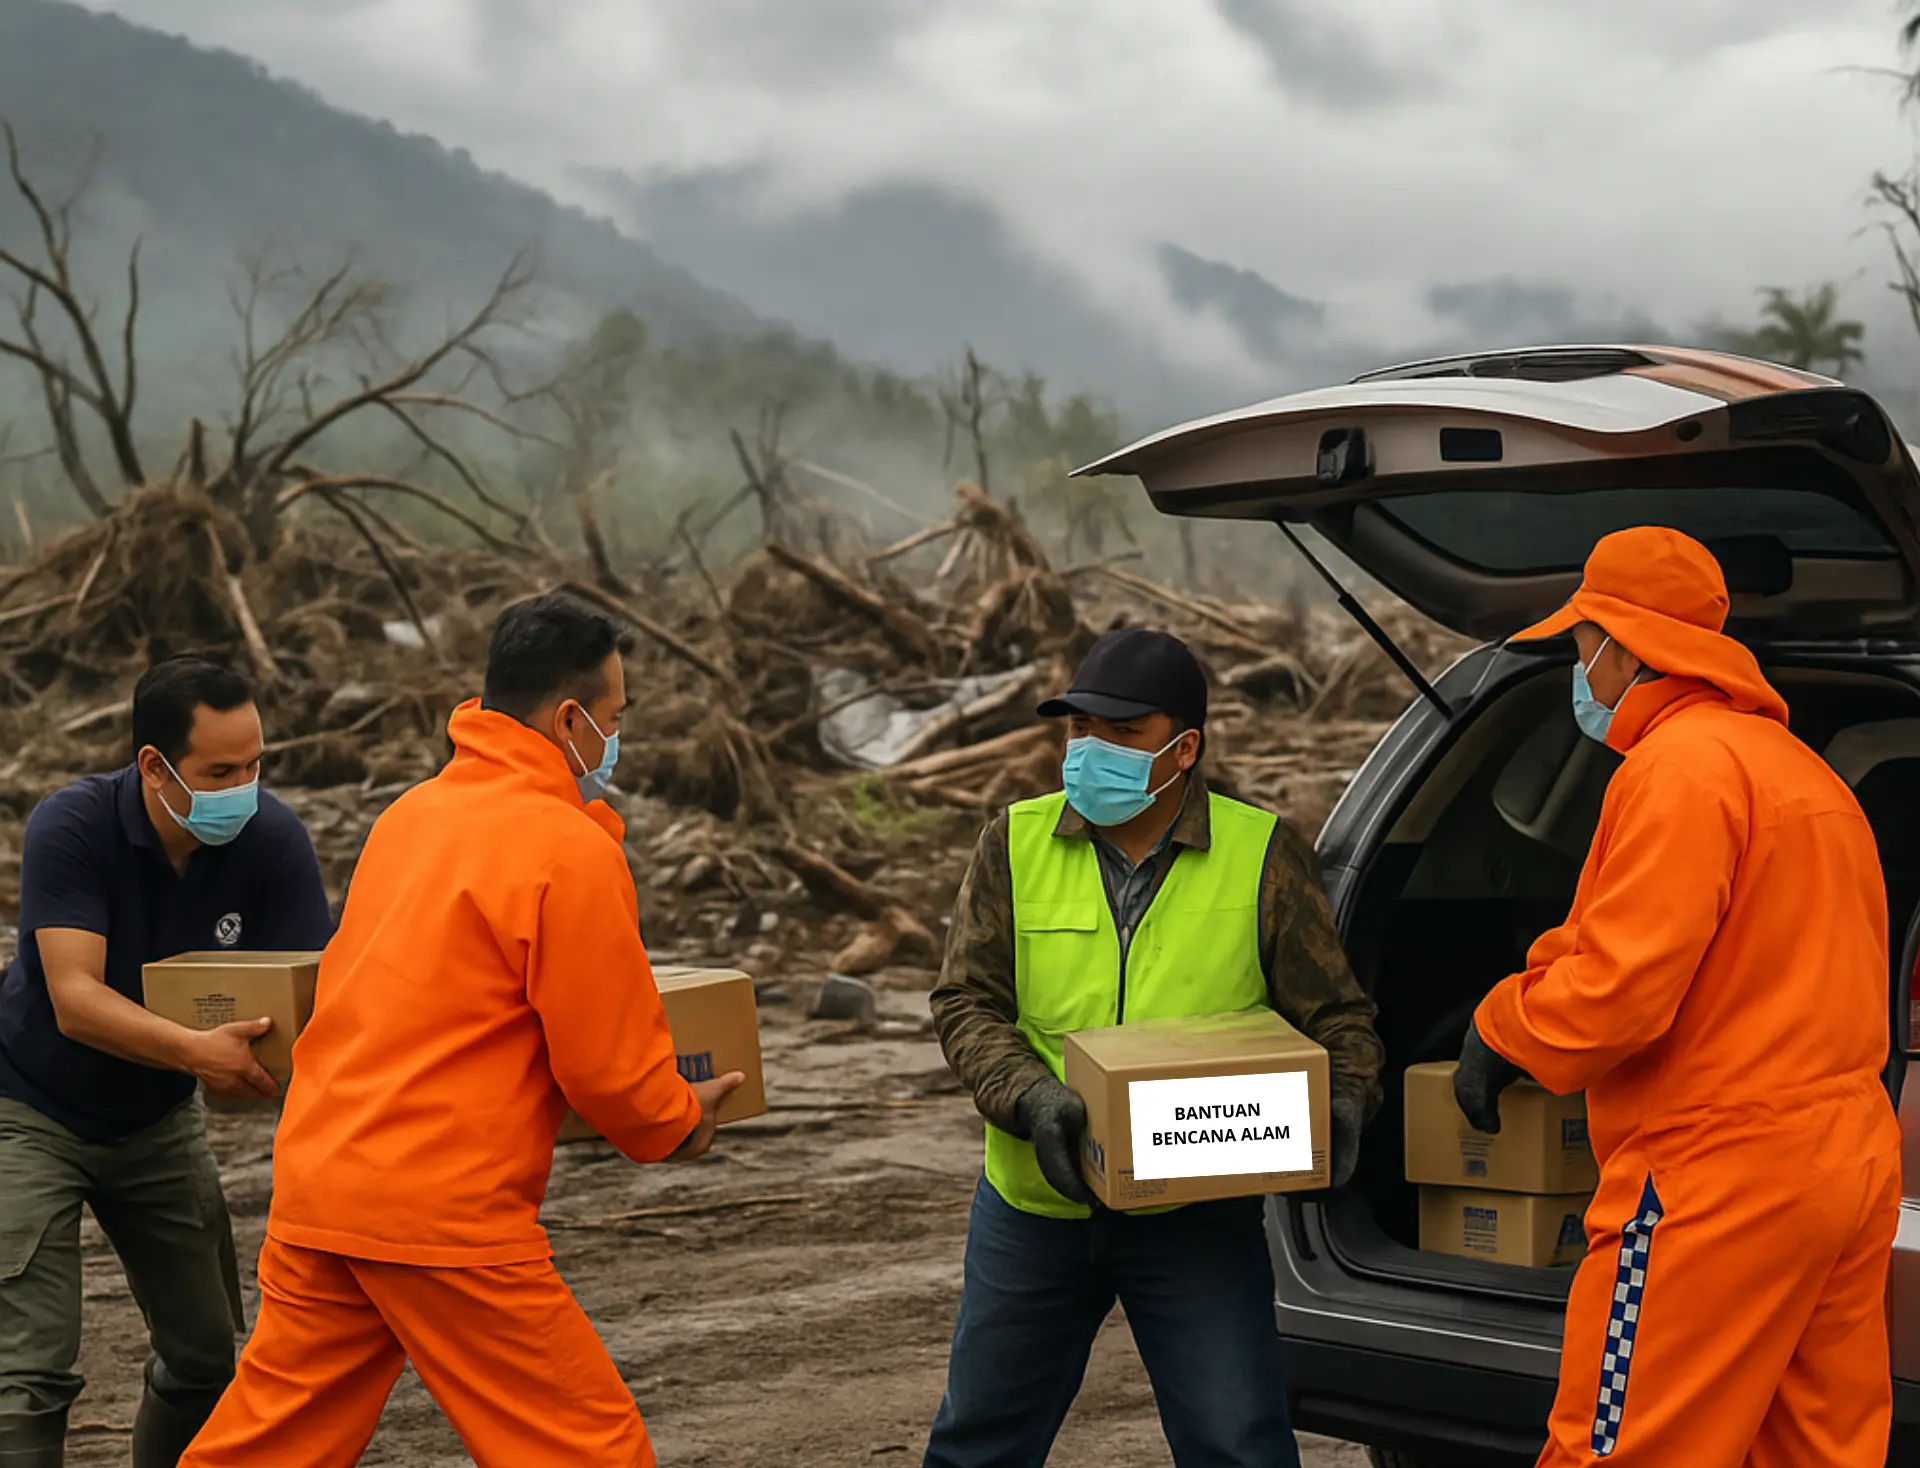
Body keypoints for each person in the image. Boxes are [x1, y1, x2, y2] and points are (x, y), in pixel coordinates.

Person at [180, 591, 742, 1468]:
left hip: (322, 1182)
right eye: (614, 719)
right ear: (569, 720)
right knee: (587, 1450)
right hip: (441, 1207)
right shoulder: (569, 850)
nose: (616, 738)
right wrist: (676, 1120)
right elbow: (606, 1068)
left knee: (269, 1447)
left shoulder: (410, 817)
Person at [1453, 527, 1902, 1468]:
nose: (1578, 667)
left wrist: (1503, 1030)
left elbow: (1618, 991)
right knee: (1813, 1448)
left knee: (1620, 1447)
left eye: (1582, 643)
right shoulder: (1807, 774)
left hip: (1717, 1177)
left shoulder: (1679, 770)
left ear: (1626, 648)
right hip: (1849, 1160)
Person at [923, 627, 1385, 1468]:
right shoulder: (1013, 841)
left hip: (1194, 1217)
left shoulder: (1262, 853)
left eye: (1122, 733)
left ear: (1185, 749)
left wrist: (1348, 1095)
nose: (1090, 750)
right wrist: (1031, 1097)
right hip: (1036, 1206)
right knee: (977, 1443)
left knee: (1238, 1444)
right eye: (1079, 729)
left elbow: (1337, 1014)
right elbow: (966, 1001)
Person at [0, 653, 334, 1468]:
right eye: (219, 772)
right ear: (154, 766)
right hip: (28, 1109)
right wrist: (197, 1054)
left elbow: (319, 998)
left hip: (155, 1118)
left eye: (254, 765)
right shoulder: (72, 827)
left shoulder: (272, 839)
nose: (243, 789)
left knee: (205, 1356)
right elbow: (75, 998)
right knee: (27, 1374)